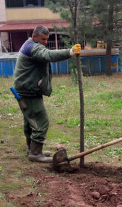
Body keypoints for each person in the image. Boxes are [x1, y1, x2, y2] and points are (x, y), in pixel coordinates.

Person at [13, 25, 81, 163]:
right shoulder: (33, 47)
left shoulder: (30, 45)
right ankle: (35, 154)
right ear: (34, 37)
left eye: (46, 39)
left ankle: (32, 149)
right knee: (41, 121)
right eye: (43, 39)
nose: (45, 42)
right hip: (28, 92)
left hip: (24, 90)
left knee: (30, 121)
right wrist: (70, 52)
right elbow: (48, 55)